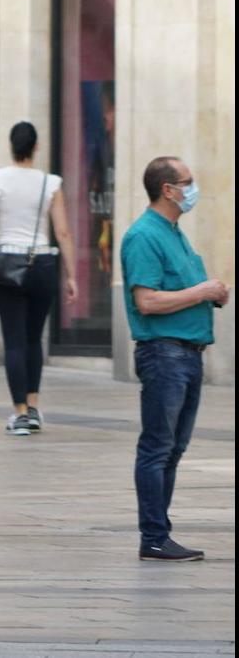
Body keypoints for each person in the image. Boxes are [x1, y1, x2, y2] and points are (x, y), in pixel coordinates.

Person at [121, 157, 228, 561]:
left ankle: (159, 532)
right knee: (158, 446)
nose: (193, 188)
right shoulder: (144, 235)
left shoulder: (174, 232)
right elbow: (146, 301)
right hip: (164, 353)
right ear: (168, 189)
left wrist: (210, 293)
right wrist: (202, 292)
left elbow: (180, 289)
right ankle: (153, 535)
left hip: (187, 352)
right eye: (188, 182)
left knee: (173, 447)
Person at [0, 122, 78, 435]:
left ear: (11, 146)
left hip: (8, 265)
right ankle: (33, 406)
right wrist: (71, 275)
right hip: (43, 264)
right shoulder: (51, 182)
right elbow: (62, 232)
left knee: (14, 341)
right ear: (36, 147)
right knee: (35, 338)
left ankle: (19, 412)